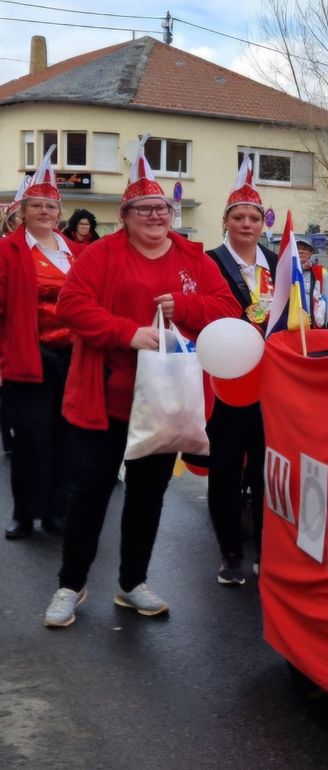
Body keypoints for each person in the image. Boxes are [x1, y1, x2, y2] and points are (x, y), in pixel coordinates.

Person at [42, 141, 239, 628]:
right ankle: (70, 585)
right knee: (89, 491)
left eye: (163, 209)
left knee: (148, 495)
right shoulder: (101, 254)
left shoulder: (194, 259)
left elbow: (229, 311)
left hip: (166, 404)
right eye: (145, 209)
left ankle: (132, 583)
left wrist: (187, 310)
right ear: (125, 215)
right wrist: (126, 333)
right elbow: (71, 304)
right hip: (104, 398)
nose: (156, 216)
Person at [203, 159, 277, 586]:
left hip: (271, 383)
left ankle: (267, 548)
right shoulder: (209, 262)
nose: (246, 223)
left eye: (254, 217)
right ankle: (231, 550)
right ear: (226, 221)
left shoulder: (278, 261)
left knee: (267, 469)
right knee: (226, 468)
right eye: (238, 217)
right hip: (227, 383)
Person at [0, 148, 80, 539]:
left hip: (73, 359)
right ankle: (24, 512)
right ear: (23, 211)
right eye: (37, 205)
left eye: (51, 205)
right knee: (30, 438)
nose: (45, 212)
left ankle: (56, 511)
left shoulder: (76, 253)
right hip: (29, 356)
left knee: (67, 435)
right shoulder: (8, 251)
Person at [296, 236, 328, 327]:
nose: (300, 251)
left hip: (315, 323)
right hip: (294, 323)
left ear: (311, 252)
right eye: (298, 248)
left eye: (305, 249)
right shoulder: (288, 271)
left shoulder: (321, 272)